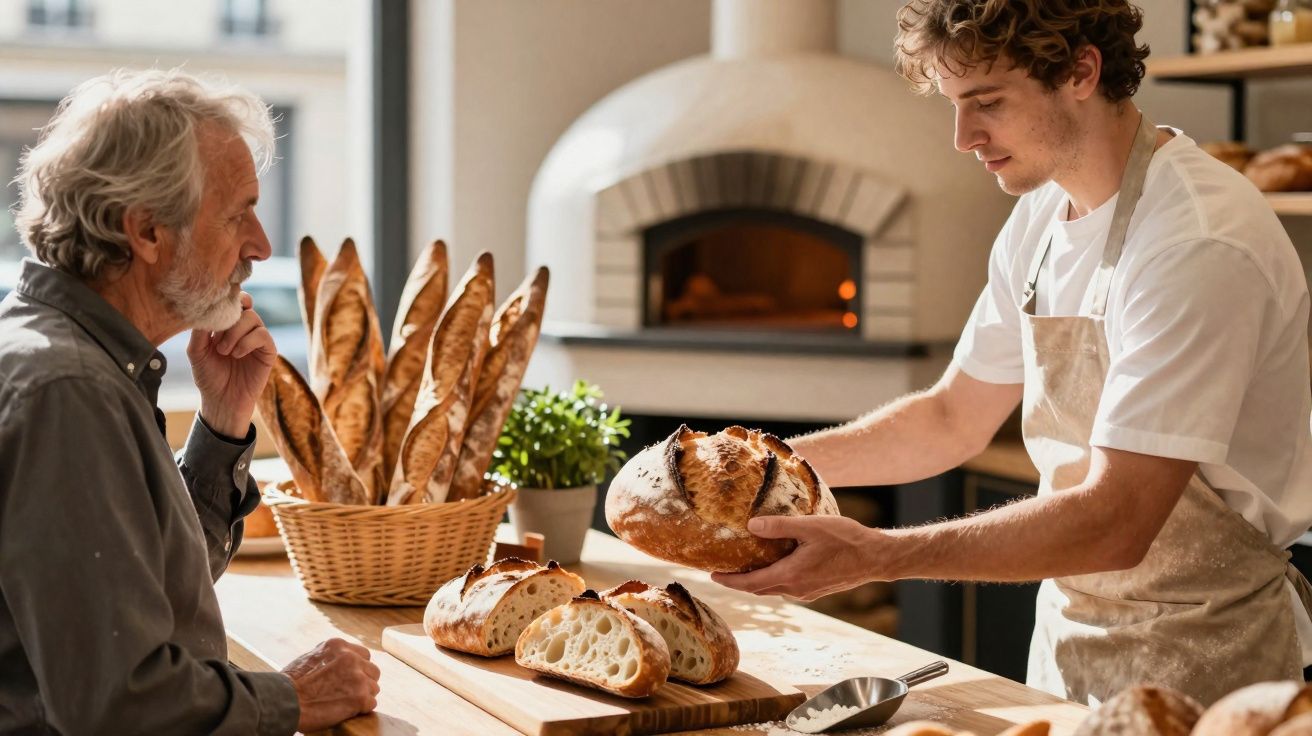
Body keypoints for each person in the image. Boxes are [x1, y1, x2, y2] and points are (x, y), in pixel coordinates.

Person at [713, 0, 1312, 706]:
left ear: (1082, 72)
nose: (963, 137)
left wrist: (877, 556)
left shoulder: (1196, 240)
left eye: (986, 102)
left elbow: (1116, 521)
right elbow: (950, 417)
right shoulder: (1042, 217)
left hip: (1213, 669)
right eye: (954, 105)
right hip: (1068, 646)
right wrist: (753, 471)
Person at [0, 69, 379, 734]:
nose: (261, 245)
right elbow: (120, 703)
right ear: (145, 232)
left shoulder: (74, 356)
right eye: (238, 215)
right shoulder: (69, 389)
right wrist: (293, 697)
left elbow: (145, 592)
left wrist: (224, 423)